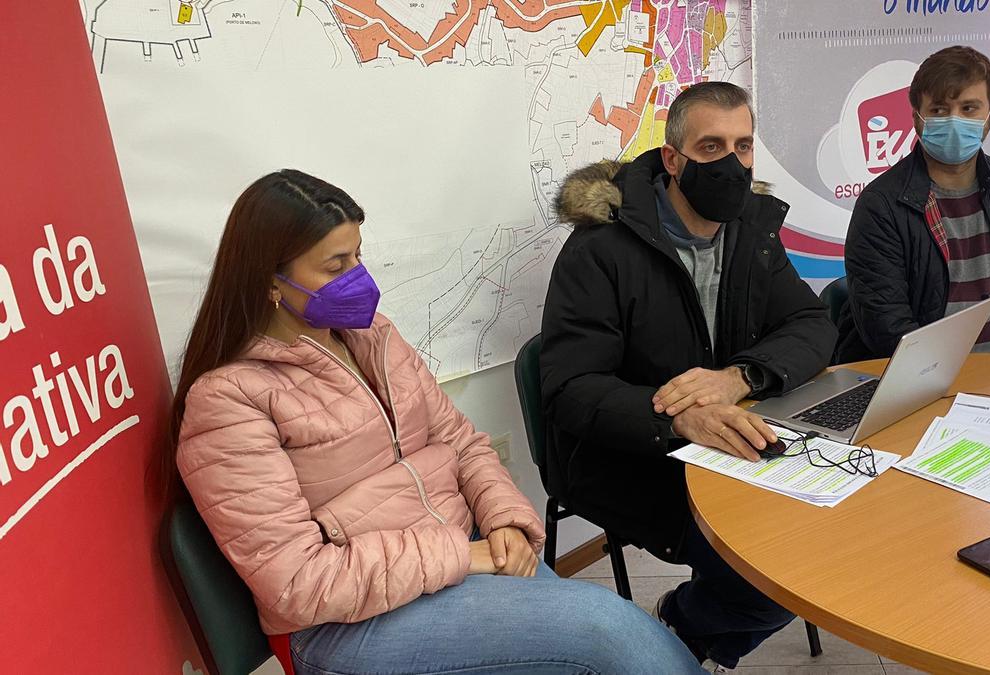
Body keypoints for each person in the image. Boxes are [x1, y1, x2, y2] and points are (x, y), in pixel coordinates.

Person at [170, 169, 704, 675]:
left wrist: (503, 522)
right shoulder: (229, 402)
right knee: (609, 630)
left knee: (606, 646)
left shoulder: (375, 338)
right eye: (334, 268)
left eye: (358, 257)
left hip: (456, 553)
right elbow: (298, 584)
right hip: (345, 623)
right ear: (271, 284)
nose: (358, 279)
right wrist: (465, 556)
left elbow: (462, 442)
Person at [541, 82, 837, 672]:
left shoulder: (752, 232)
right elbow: (569, 389)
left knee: (835, 541)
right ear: (673, 160)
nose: (731, 163)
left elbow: (810, 322)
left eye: (743, 146)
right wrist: (677, 416)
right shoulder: (599, 249)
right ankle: (682, 630)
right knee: (774, 577)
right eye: (710, 147)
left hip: (733, 439)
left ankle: (683, 632)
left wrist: (741, 376)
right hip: (634, 455)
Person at [836, 46, 990, 363]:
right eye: (938, 110)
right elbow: (886, 325)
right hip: (924, 388)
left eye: (969, 108)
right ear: (917, 118)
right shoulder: (881, 205)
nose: (954, 121)